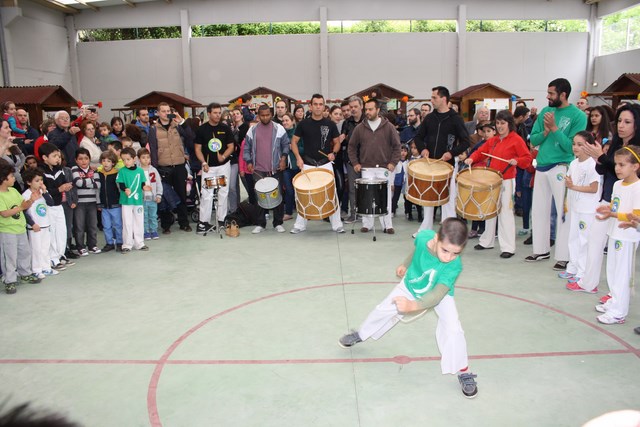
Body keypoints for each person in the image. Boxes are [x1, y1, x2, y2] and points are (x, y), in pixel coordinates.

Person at [338, 218, 478, 398]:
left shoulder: (454, 266)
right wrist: (405, 264)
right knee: (383, 309)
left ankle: (463, 371)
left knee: (453, 328)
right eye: (445, 251)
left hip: (439, 294)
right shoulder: (424, 238)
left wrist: (413, 305)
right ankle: (361, 334)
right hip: (412, 284)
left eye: (455, 253)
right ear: (436, 239)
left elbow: (437, 295)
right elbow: (416, 250)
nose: (448, 257)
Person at [582, 104, 640, 306]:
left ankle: (620, 296)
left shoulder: (635, 150)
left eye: (628, 122)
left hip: (627, 208)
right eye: (620, 122)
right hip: (609, 199)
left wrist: (602, 158)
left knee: (623, 255)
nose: (622, 126)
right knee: (596, 242)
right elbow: (606, 172)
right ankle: (591, 283)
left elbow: (621, 173)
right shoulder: (615, 143)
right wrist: (598, 159)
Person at [526, 78, 587, 267]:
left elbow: (572, 147)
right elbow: (533, 141)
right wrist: (545, 131)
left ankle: (563, 256)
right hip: (542, 166)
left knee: (562, 212)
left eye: (551, 93)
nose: (547, 96)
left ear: (563, 94)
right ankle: (541, 250)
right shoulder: (545, 112)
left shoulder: (578, 116)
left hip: (562, 166)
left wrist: (554, 128)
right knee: (538, 211)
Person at [465, 110, 532, 258]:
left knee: (505, 213)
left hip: (507, 180)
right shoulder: (493, 140)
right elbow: (480, 152)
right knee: (489, 210)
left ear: (509, 124)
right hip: (492, 179)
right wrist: (472, 158)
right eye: (498, 123)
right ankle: (486, 241)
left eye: (503, 123)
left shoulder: (516, 139)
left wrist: (517, 161)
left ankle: (508, 247)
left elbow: (527, 158)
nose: (500, 126)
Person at [413, 86, 471, 234]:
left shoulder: (455, 119)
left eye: (434, 98)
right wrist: (423, 149)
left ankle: (448, 231)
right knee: (428, 199)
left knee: (448, 200)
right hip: (430, 165)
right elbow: (418, 137)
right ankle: (426, 229)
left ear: (444, 99)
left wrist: (451, 153)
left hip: (448, 165)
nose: (431, 100)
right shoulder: (430, 118)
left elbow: (466, 141)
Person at [593, 146, 640, 324]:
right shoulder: (617, 184)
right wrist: (609, 209)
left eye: (622, 165)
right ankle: (614, 300)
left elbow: (636, 215)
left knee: (622, 273)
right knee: (612, 270)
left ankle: (619, 311)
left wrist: (613, 214)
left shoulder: (637, 187)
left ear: (635, 167)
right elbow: (615, 205)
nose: (617, 168)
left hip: (627, 235)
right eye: (616, 164)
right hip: (614, 232)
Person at [289, 94, 345, 234]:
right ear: (311, 106)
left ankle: (336, 224)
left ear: (324, 106)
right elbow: (293, 142)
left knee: (332, 194)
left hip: (326, 164)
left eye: (321, 104)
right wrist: (298, 158)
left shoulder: (330, 124)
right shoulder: (303, 124)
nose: (318, 107)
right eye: (315, 104)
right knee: (302, 195)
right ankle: (300, 225)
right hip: (307, 164)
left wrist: (334, 153)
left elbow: (337, 142)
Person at [348, 98, 401, 234]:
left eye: (370, 109)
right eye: (366, 109)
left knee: (386, 197)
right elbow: (352, 147)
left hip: (384, 168)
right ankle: (367, 224)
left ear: (378, 110)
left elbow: (397, 147)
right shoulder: (360, 128)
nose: (368, 112)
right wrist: (355, 163)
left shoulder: (388, 127)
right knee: (367, 196)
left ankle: (387, 225)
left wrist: (393, 163)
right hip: (367, 168)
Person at [561, 131, 601, 292]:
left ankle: (583, 272)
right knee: (573, 237)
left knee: (585, 240)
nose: (575, 147)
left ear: (589, 146)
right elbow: (570, 183)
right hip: (575, 207)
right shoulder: (574, 163)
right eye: (574, 144)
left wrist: (573, 187)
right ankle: (573, 267)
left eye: (580, 144)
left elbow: (593, 188)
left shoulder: (593, 164)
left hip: (588, 209)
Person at [243, 104, 290, 233]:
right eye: (262, 115)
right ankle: (260, 224)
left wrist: (283, 158)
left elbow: (286, 144)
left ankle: (278, 222)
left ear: (271, 114)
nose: (265, 117)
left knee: (277, 195)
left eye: (267, 115)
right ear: (258, 116)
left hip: (275, 168)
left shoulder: (278, 128)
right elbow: (246, 148)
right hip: (258, 169)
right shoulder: (252, 130)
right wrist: (248, 161)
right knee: (260, 197)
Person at [148, 102, 192, 234]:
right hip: (163, 167)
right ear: (158, 113)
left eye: (168, 111)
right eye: (163, 111)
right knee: (164, 196)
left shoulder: (177, 126)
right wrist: (155, 169)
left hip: (179, 165)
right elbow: (153, 150)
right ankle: (166, 225)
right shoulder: (153, 129)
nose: (166, 113)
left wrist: (181, 121)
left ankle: (184, 222)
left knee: (182, 195)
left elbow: (190, 137)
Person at [0, 161, 41, 294]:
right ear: (3, 178)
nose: (14, 178)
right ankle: (9, 280)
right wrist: (22, 207)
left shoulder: (13, 191)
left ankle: (25, 273)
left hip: (20, 228)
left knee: (24, 253)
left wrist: (31, 200)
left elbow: (23, 204)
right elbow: (4, 213)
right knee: (9, 256)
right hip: (7, 231)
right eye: (11, 176)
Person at [194, 102, 235, 234]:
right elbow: (197, 149)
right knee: (207, 195)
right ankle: (203, 223)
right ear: (209, 113)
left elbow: (231, 146)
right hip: (209, 169)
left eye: (219, 113)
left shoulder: (225, 128)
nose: (218, 115)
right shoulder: (201, 130)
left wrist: (223, 156)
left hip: (223, 167)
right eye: (215, 113)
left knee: (223, 193)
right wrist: (203, 163)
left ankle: (221, 220)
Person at [38, 143, 73, 271]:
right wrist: (59, 189)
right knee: (51, 233)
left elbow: (63, 182)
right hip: (48, 206)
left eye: (58, 156)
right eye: (54, 156)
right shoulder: (40, 171)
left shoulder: (58, 169)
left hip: (59, 205)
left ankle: (60, 255)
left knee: (61, 231)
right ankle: (52, 259)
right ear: (45, 157)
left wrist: (66, 186)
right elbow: (43, 191)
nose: (57, 158)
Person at [22, 168, 57, 279]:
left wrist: (45, 192)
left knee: (45, 248)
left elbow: (51, 203)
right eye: (37, 180)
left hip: (45, 224)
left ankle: (46, 267)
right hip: (35, 227)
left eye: (41, 180)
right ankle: (36, 269)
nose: (40, 183)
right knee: (36, 249)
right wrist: (32, 224)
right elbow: (24, 212)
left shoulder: (43, 192)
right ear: (29, 182)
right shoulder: (26, 195)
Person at [116, 147, 149, 253]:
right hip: (126, 201)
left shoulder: (140, 171)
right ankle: (127, 244)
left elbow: (142, 183)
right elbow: (120, 184)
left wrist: (144, 187)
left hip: (138, 201)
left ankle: (139, 243)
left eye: (128, 159)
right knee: (127, 222)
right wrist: (125, 189)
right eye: (123, 160)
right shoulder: (122, 171)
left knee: (139, 221)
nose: (126, 162)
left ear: (134, 159)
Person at [71, 148, 101, 256]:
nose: (83, 161)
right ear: (76, 160)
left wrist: (86, 182)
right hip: (79, 202)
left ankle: (92, 245)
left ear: (89, 159)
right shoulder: (74, 169)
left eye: (86, 158)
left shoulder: (94, 170)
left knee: (92, 225)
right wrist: (91, 180)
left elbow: (98, 185)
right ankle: (80, 246)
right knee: (79, 226)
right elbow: (78, 183)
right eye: (80, 159)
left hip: (92, 201)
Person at [341, 96, 365, 223]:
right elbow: (343, 139)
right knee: (352, 188)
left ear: (362, 106)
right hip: (352, 160)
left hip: (368, 160)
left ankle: (366, 214)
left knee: (367, 188)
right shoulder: (347, 122)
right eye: (351, 107)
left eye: (356, 106)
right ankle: (354, 214)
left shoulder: (368, 120)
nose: (353, 109)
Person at [96, 150, 123, 252]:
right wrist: (98, 202)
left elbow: (120, 189)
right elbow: (97, 190)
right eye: (103, 160)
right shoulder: (99, 174)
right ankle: (109, 243)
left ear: (113, 163)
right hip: (104, 206)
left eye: (108, 161)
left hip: (115, 204)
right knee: (106, 225)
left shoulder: (117, 174)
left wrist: (121, 201)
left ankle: (120, 242)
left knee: (117, 225)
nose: (106, 163)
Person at [138, 148, 163, 240]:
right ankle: (146, 231)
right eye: (143, 157)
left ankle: (154, 230)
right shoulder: (137, 170)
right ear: (138, 159)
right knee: (144, 216)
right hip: (142, 198)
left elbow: (158, 184)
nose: (146, 159)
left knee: (153, 215)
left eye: (148, 157)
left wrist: (158, 195)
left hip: (152, 198)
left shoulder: (154, 170)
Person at [281, 112, 298, 220]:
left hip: (297, 165)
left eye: (287, 120)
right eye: (283, 121)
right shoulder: (281, 133)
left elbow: (303, 148)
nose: (285, 122)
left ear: (293, 121)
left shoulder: (297, 132)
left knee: (300, 190)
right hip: (286, 166)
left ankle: (305, 211)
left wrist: (294, 148)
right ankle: (288, 212)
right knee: (288, 190)